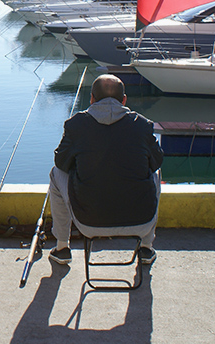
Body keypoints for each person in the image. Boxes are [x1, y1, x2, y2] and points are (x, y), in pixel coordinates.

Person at [47, 74, 163, 266]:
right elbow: (157, 161)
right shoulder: (142, 125)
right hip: (141, 221)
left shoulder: (76, 124)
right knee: (156, 173)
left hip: (88, 223)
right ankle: (146, 247)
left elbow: (61, 163)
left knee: (55, 173)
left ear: (91, 98)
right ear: (124, 100)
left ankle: (62, 247)